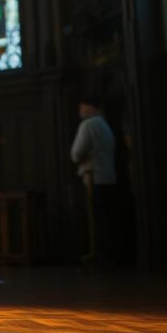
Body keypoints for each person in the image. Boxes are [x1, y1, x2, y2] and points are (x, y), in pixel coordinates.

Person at [70, 96, 116, 265]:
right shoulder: (104, 125)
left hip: (93, 178)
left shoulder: (88, 124)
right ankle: (107, 256)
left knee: (94, 221)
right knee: (105, 220)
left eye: (82, 107)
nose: (80, 111)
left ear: (90, 107)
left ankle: (96, 257)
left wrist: (78, 158)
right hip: (108, 177)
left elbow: (76, 153)